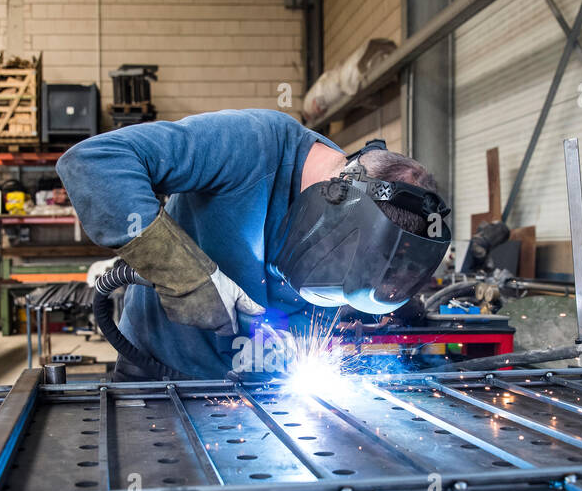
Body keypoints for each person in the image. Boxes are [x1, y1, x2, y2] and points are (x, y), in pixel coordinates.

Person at [57, 108, 450, 380]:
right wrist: (184, 274)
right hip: (162, 372)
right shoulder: (249, 144)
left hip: (271, 392)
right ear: (335, 204)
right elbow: (95, 162)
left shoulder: (367, 230)